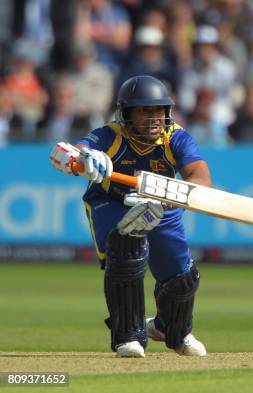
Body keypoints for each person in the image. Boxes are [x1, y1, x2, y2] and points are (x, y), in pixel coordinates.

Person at [49, 75, 209, 358]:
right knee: (124, 256)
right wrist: (83, 159)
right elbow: (62, 152)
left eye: (159, 110)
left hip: (162, 205)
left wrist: (171, 196)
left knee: (181, 276)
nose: (154, 118)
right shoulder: (109, 136)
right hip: (113, 201)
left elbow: (200, 178)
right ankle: (128, 336)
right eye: (145, 111)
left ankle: (173, 329)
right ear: (126, 114)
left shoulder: (176, 138)